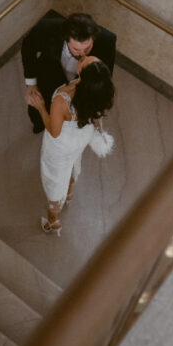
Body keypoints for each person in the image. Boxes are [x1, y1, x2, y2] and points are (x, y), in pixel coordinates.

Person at [30, 55, 115, 236]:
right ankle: (68, 192)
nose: (84, 56)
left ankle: (53, 220)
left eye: (86, 61)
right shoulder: (98, 89)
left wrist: (40, 107)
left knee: (55, 175)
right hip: (82, 135)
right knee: (72, 163)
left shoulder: (62, 100)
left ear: (82, 73)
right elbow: (97, 113)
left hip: (62, 144)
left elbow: (54, 131)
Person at [21, 12, 116, 133]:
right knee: (38, 107)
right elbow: (28, 47)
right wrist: (31, 84)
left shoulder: (107, 42)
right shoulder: (46, 29)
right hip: (49, 73)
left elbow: (105, 78)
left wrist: (97, 110)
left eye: (87, 48)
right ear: (65, 39)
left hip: (81, 87)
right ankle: (39, 124)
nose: (83, 54)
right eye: (76, 49)